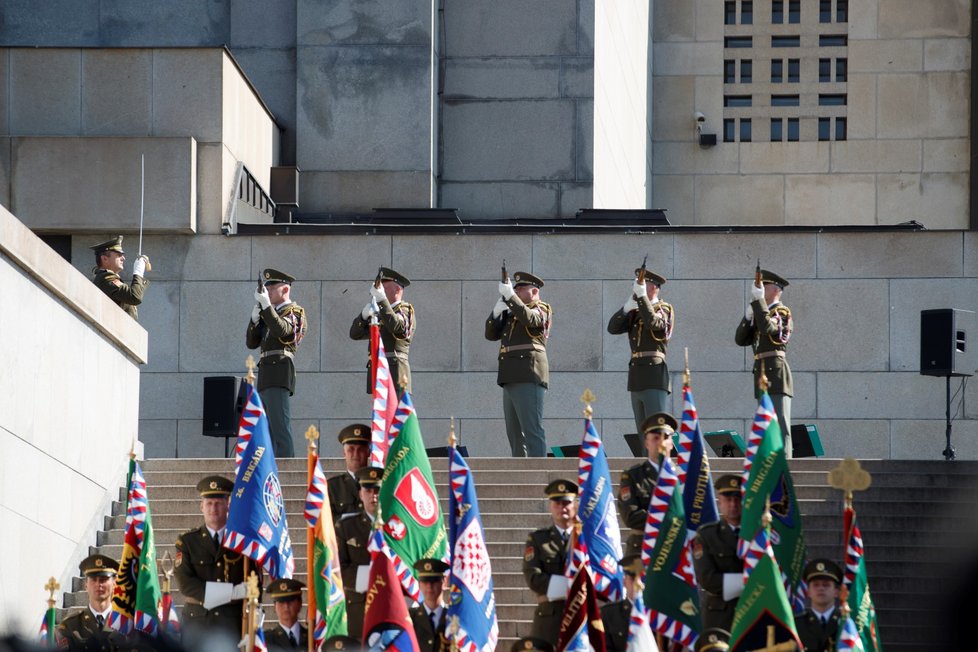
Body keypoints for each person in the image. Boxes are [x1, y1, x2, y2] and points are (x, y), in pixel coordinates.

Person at [173, 475, 255, 640]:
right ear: (201, 507)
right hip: (197, 625)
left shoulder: (243, 542)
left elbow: (254, 584)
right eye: (209, 504)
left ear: (228, 506)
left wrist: (255, 621)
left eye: (218, 503)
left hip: (233, 625)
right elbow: (186, 584)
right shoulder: (188, 541)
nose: (213, 509)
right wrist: (232, 593)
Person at [485, 271, 553, 457]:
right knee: (515, 434)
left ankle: (538, 472)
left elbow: (531, 320)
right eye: (515, 289)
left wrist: (510, 297)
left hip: (529, 373)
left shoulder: (542, 308)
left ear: (534, 291)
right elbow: (491, 335)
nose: (516, 291)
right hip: (509, 375)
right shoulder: (512, 313)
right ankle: (521, 469)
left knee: (532, 430)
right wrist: (496, 312)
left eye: (521, 289)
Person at [246, 268, 307, 458]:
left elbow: (284, 331)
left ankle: (286, 468)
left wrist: (266, 307)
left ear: (285, 289)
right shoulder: (269, 313)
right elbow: (251, 342)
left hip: (280, 370)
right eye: (267, 288)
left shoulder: (295, 312)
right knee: (267, 429)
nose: (268, 291)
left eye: (272, 287)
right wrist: (255, 320)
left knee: (280, 427)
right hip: (265, 372)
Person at [606, 268, 675, 433]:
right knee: (643, 433)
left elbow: (654, 324)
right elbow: (612, 328)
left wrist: (643, 298)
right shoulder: (636, 312)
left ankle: (660, 460)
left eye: (643, 284)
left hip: (654, 374)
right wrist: (626, 308)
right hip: (636, 376)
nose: (637, 288)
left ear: (654, 288)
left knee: (656, 431)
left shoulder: (664, 308)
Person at [735, 269, 793, 456]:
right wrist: (748, 316)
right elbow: (740, 339)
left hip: (775, 373)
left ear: (776, 290)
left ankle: (784, 465)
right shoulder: (762, 313)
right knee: (766, 425)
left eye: (763, 287)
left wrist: (758, 304)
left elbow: (769, 328)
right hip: (761, 373)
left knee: (779, 423)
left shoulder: (782, 312)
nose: (759, 290)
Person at [523, 479, 577, 647]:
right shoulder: (538, 540)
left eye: (567, 503)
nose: (562, 508)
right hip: (550, 620)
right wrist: (574, 586)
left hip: (582, 617)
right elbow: (534, 579)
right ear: (550, 507)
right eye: (557, 503)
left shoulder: (586, 540)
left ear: (575, 505)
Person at [618, 412, 677, 555]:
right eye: (656, 438)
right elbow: (631, 517)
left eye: (666, 438)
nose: (661, 442)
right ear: (646, 443)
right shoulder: (633, 476)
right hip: (642, 550)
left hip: (676, 550)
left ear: (672, 443)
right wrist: (670, 517)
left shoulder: (682, 477)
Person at [692, 474, 745, 632]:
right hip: (720, 616)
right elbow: (707, 579)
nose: (733, 504)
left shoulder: (758, 535)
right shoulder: (707, 535)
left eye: (737, 499)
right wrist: (750, 582)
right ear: (720, 502)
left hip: (753, 612)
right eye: (728, 500)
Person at [349, 268, 415, 396]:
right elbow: (355, 334)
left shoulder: (405, 310)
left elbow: (397, 327)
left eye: (385, 287)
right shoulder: (381, 313)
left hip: (395, 373)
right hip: (378, 371)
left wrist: (381, 300)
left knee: (396, 415)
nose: (380, 290)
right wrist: (362, 317)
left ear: (397, 289)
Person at [336, 466, 383, 642]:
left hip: (392, 609)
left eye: (377, 490)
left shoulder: (397, 527)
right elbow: (339, 570)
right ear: (360, 494)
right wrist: (376, 575)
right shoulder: (346, 527)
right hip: (358, 611)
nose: (373, 495)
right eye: (368, 490)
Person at [55, 553, 124, 649]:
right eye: (94, 579)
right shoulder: (70, 626)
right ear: (86, 585)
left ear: (114, 583)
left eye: (103, 579)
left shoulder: (126, 624)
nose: (98, 584)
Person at [89, 235, 149, 320]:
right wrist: (138, 272)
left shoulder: (107, 277)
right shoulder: (106, 278)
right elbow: (135, 297)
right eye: (119, 255)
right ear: (105, 258)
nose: (123, 258)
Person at [794, 559, 844, 652]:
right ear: (808, 592)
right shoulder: (796, 625)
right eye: (816, 585)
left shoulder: (845, 623)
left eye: (826, 585)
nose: (821, 588)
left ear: (836, 592)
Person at [327, 423, 371, 522]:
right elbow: (326, 523)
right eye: (351, 450)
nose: (355, 454)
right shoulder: (332, 486)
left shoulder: (379, 484)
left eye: (360, 450)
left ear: (368, 452)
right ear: (344, 453)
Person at [600, 553, 643, 652]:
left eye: (642, 579)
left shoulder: (656, 614)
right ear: (624, 582)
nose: (638, 584)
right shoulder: (609, 613)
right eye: (633, 579)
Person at [408, 559, 450, 652]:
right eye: (425, 581)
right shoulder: (409, 618)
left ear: (443, 582)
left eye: (434, 581)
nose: (429, 586)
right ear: (419, 584)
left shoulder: (454, 618)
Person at [263, 578, 308, 651]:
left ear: (300, 603)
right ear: (275, 606)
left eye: (290, 601)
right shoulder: (266, 640)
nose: (286, 606)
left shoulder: (312, 638)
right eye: (281, 602)